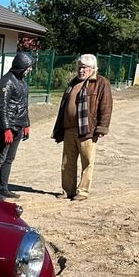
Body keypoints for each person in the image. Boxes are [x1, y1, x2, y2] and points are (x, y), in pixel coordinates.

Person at [52, 54, 114, 201]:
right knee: (67, 163)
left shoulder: (101, 82)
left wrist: (102, 128)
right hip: (69, 130)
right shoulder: (73, 82)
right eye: (80, 67)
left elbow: (106, 106)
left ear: (92, 69)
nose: (81, 70)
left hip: (87, 130)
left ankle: (83, 191)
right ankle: (68, 190)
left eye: (84, 68)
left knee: (87, 162)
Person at [0, 51, 34, 200]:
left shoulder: (22, 82)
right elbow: (2, 108)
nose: (30, 70)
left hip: (19, 126)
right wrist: (6, 129)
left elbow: (23, 106)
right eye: (28, 67)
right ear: (21, 67)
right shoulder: (6, 82)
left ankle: (3, 187)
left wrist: (26, 124)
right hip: (7, 127)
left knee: (9, 158)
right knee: (0, 158)